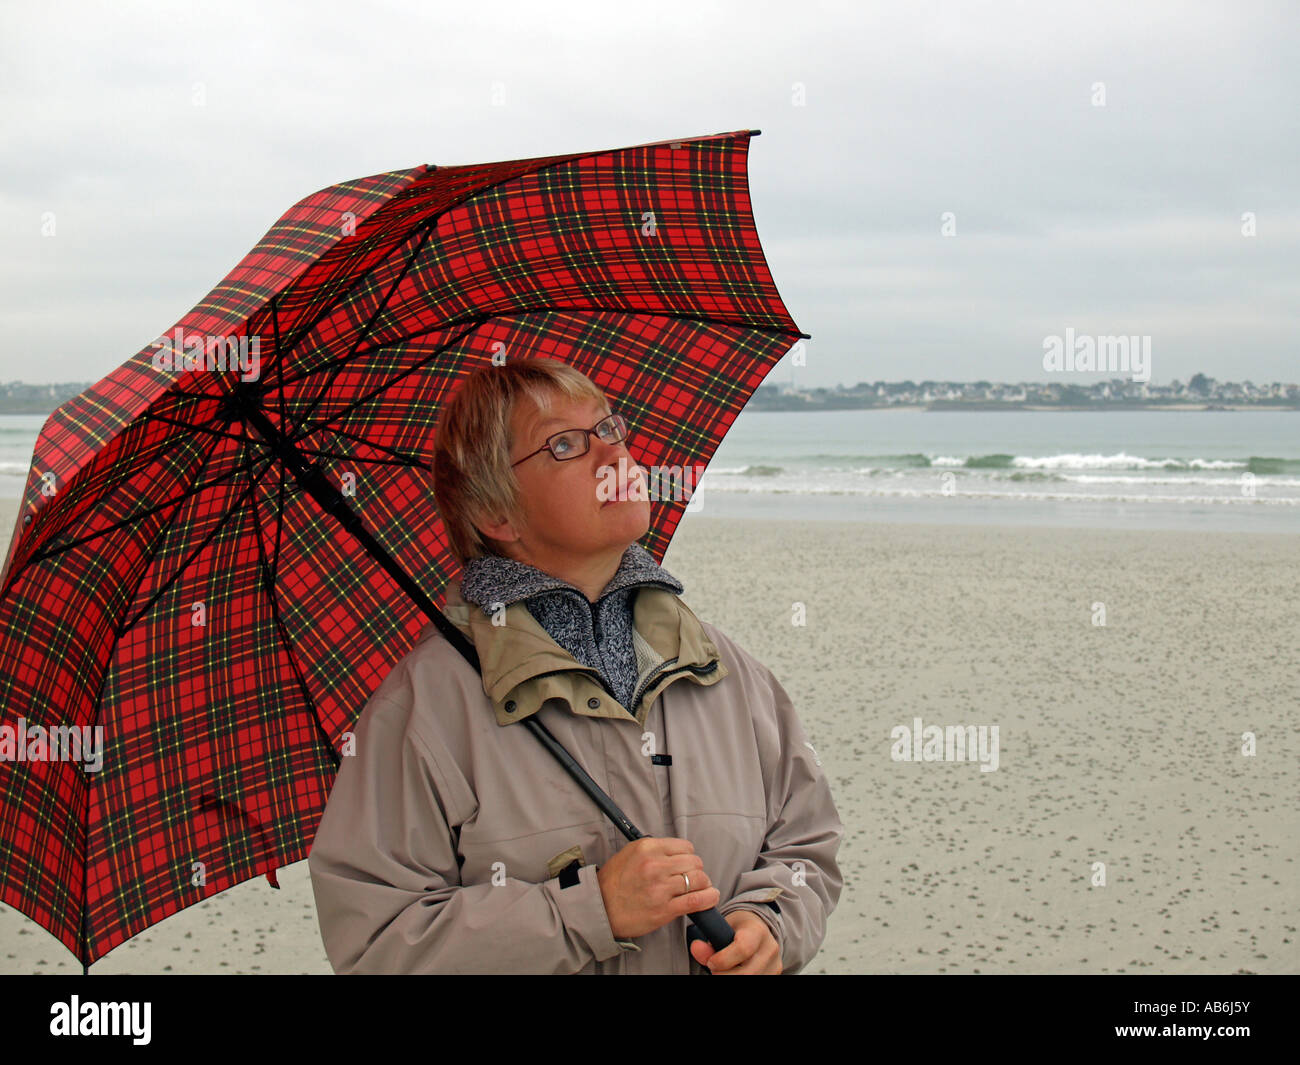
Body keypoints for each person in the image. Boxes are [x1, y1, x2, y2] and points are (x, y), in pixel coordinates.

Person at [307, 357, 843, 974]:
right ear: (496, 514)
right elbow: (377, 945)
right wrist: (590, 912)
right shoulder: (426, 709)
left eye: (609, 428)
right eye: (563, 445)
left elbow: (806, 845)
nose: (613, 457)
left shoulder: (726, 671)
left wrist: (769, 923)